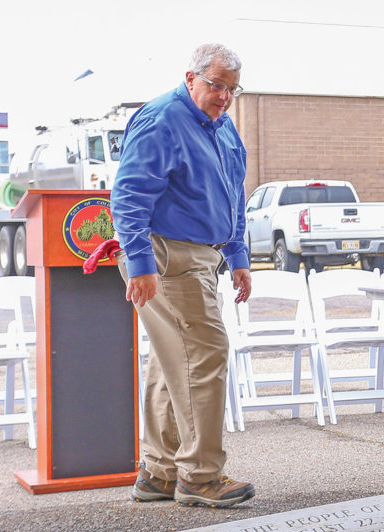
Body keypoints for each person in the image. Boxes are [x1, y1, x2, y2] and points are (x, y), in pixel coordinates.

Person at [111, 43, 255, 508]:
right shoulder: (161, 120)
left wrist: (238, 257)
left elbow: (233, 196)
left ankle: (159, 472)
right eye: (215, 85)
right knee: (205, 354)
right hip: (166, 255)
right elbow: (129, 197)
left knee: (174, 360)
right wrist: (140, 263)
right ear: (190, 78)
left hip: (201, 255)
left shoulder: (225, 128)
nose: (223, 96)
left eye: (232, 89)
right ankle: (200, 476)